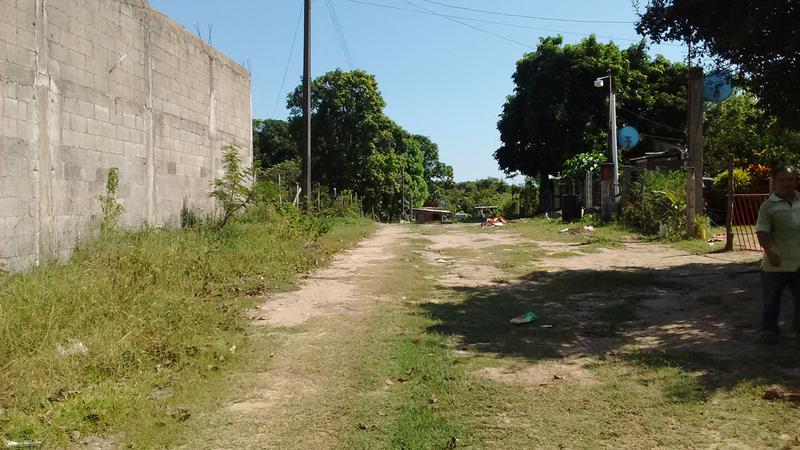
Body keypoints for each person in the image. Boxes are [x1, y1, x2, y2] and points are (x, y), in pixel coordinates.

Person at [755, 164, 800, 344]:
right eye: (781, 179)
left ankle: (798, 332)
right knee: (771, 301)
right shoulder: (768, 206)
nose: (786, 183)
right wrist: (770, 251)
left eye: (790, 179)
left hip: (799, 264)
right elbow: (762, 232)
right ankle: (769, 332)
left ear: (796, 180)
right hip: (775, 265)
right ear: (774, 181)